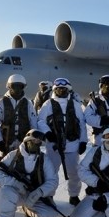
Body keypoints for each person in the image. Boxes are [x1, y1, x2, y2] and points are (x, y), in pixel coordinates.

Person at [0, 129, 59, 217]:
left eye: (39, 142)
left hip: (33, 195)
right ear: (27, 140)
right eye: (34, 141)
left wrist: (39, 192)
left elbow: (52, 180)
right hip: (16, 193)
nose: (36, 144)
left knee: (49, 214)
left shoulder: (44, 159)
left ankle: (27, 209)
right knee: (4, 192)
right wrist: (16, 183)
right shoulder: (13, 155)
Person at [37, 77, 88, 206]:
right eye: (58, 89)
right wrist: (48, 133)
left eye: (63, 89)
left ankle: (74, 195)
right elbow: (41, 121)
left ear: (68, 89)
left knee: (74, 173)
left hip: (72, 145)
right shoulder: (48, 104)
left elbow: (81, 124)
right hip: (54, 146)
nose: (61, 91)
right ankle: (49, 195)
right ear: (55, 89)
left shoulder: (75, 105)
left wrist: (83, 141)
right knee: (50, 172)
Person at [0, 75, 38, 158]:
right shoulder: (1, 103)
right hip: (6, 144)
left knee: (23, 168)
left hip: (24, 145)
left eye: (20, 86)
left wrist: (33, 140)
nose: (17, 89)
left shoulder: (28, 104)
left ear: (23, 87)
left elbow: (33, 122)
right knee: (5, 168)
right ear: (9, 86)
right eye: (14, 86)